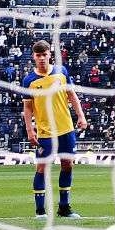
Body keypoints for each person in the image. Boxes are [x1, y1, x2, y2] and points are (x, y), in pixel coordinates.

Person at [22, 40, 88, 220]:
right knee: (42, 167)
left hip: (66, 129)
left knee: (68, 165)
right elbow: (28, 108)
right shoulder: (29, 80)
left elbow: (71, 95)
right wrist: (30, 129)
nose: (42, 58)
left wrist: (81, 116)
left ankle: (64, 207)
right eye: (38, 55)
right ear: (34, 57)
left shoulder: (62, 72)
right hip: (45, 132)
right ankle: (40, 211)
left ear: (49, 54)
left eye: (44, 54)